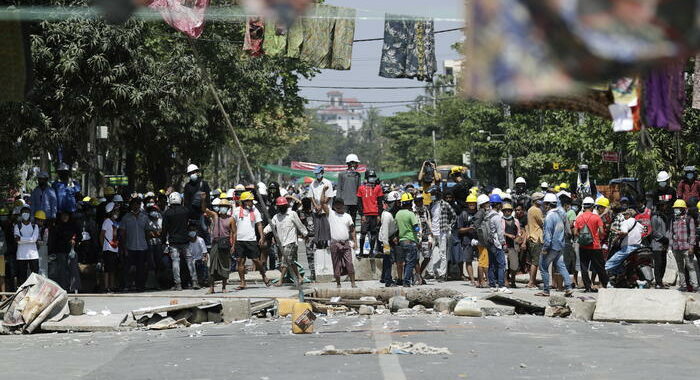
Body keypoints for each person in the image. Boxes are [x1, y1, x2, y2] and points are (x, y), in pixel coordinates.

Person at [536, 193, 574, 297]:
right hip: (560, 245)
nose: (543, 206)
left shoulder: (549, 217)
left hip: (551, 246)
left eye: (544, 204)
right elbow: (568, 232)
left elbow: (548, 236)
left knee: (543, 266)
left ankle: (546, 290)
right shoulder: (560, 215)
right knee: (561, 266)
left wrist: (544, 249)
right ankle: (568, 287)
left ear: (548, 205)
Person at [267, 196, 307, 287]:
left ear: (286, 205)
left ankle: (280, 281)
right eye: (280, 206)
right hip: (282, 243)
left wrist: (305, 234)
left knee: (285, 261)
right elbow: (270, 227)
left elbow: (299, 225)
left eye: (283, 206)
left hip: (291, 241)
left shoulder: (292, 214)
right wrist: (263, 234)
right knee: (291, 262)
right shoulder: (276, 217)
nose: (282, 208)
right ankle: (300, 278)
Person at [232, 191, 269, 289]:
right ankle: (242, 282)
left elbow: (259, 224)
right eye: (249, 201)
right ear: (244, 201)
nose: (251, 203)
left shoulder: (254, 211)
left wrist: (261, 236)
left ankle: (264, 276)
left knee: (256, 260)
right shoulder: (236, 211)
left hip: (251, 239)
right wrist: (233, 239)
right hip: (240, 240)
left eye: (252, 201)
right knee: (240, 261)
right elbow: (233, 224)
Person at [163, 192, 198, 291]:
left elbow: (164, 228)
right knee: (189, 260)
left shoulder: (167, 213)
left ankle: (178, 284)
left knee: (175, 262)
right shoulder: (185, 211)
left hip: (173, 241)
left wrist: (163, 241)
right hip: (185, 240)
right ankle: (194, 281)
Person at [574, 197, 608, 292]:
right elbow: (601, 231)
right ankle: (604, 284)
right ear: (593, 207)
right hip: (595, 246)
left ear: (583, 207)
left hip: (583, 246)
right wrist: (599, 237)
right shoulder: (596, 217)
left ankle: (587, 287)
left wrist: (582, 237)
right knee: (599, 266)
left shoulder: (579, 218)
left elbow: (575, 233)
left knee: (584, 267)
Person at [119, 198, 150, 292]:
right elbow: (122, 233)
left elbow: (147, 232)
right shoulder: (126, 218)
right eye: (134, 204)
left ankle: (140, 286)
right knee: (127, 268)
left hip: (142, 247)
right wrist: (124, 247)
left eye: (138, 204)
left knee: (141, 268)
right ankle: (126, 285)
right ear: (131, 205)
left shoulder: (145, 217)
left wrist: (148, 246)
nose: (136, 206)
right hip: (130, 246)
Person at [204, 198, 234, 293]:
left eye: (225, 207)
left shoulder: (231, 219)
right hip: (215, 244)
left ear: (228, 208)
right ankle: (211, 287)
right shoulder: (215, 216)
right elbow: (205, 209)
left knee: (225, 266)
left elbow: (234, 233)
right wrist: (203, 200)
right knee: (212, 266)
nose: (223, 209)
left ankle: (224, 287)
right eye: (221, 207)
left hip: (225, 244)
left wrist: (233, 245)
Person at [605, 209, 644, 278]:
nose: (624, 216)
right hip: (638, 247)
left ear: (629, 215)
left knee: (610, 263)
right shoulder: (639, 224)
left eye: (625, 214)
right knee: (621, 265)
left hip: (628, 248)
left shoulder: (626, 222)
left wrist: (616, 232)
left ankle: (602, 279)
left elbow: (624, 232)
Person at [327, 199, 357, 288]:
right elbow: (322, 203)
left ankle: (353, 283)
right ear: (334, 206)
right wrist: (324, 191)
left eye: (340, 204)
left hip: (346, 243)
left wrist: (355, 242)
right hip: (334, 243)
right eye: (336, 205)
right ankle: (338, 283)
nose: (338, 206)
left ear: (343, 205)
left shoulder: (347, 216)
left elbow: (352, 230)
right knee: (336, 264)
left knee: (349, 263)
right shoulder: (331, 214)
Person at [428, 186, 456, 282]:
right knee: (430, 253)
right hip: (433, 233)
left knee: (443, 254)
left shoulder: (444, 204)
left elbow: (454, 216)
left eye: (433, 194)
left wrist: (449, 226)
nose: (431, 196)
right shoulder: (431, 205)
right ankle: (431, 272)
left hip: (442, 231)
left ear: (437, 194)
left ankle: (442, 274)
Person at [668, 200, 697, 291]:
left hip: (687, 248)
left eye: (678, 208)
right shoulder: (673, 219)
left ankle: (695, 286)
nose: (676, 210)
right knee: (680, 268)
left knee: (691, 267)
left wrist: (691, 247)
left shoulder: (689, 219)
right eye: (675, 208)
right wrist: (670, 248)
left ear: (683, 209)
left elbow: (692, 234)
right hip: (676, 248)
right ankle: (683, 286)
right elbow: (670, 234)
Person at [483, 194, 508, 293]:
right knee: (501, 264)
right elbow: (500, 232)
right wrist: (503, 243)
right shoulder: (496, 217)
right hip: (496, 243)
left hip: (489, 243)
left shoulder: (487, 215)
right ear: (497, 204)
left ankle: (492, 285)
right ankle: (501, 286)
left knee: (492, 264)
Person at [356, 170, 384, 257]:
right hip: (365, 214)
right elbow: (359, 203)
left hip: (375, 214)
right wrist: (362, 215)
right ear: (366, 178)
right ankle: (361, 251)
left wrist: (379, 214)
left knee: (373, 233)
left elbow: (380, 202)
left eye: (373, 177)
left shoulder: (378, 187)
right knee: (363, 233)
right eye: (370, 177)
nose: (372, 179)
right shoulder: (361, 188)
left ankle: (371, 251)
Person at [395, 193, 420, 287]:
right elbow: (416, 228)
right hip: (410, 241)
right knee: (410, 263)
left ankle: (405, 280)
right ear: (410, 202)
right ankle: (406, 281)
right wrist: (419, 233)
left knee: (406, 261)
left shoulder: (398, 214)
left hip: (401, 241)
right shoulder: (410, 214)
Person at [183, 164, 211, 243]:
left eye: (194, 172)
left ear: (197, 172)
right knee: (193, 238)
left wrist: (207, 212)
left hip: (203, 215)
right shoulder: (187, 186)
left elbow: (208, 200)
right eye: (190, 173)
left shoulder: (204, 184)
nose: (192, 174)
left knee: (205, 232)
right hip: (192, 217)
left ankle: (207, 250)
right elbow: (186, 202)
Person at [14, 206, 39, 286]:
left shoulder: (35, 226)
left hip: (33, 255)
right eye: (24, 212)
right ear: (21, 214)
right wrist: (30, 239)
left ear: (30, 214)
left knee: (35, 276)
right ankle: (23, 293)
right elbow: (17, 241)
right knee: (22, 276)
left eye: (27, 212)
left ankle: (34, 292)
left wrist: (21, 239)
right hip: (21, 255)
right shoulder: (17, 226)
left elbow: (34, 239)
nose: (26, 214)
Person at [378, 192, 399, 287]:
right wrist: (386, 247)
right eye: (396, 203)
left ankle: (383, 277)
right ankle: (388, 280)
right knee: (388, 259)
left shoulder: (390, 214)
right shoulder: (387, 215)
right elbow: (385, 233)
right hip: (385, 240)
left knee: (387, 259)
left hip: (389, 238)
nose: (398, 204)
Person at [525, 192, 545, 288]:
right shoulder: (537, 210)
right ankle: (531, 282)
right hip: (537, 237)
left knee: (532, 261)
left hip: (531, 236)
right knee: (535, 262)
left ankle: (531, 280)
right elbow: (542, 222)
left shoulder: (529, 210)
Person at [650, 199, 671, 289]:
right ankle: (658, 283)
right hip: (657, 244)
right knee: (658, 264)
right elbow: (653, 231)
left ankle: (660, 281)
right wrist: (662, 238)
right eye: (663, 205)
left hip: (664, 245)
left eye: (665, 205)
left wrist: (667, 239)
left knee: (664, 264)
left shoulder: (665, 217)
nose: (665, 207)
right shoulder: (655, 217)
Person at [100, 202, 120, 292]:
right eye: (115, 211)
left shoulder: (115, 222)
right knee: (107, 269)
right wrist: (102, 247)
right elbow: (101, 235)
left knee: (113, 269)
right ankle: (106, 287)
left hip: (114, 248)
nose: (117, 212)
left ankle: (112, 286)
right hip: (108, 248)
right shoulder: (107, 221)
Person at [502, 203, 522, 288]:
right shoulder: (501, 221)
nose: (507, 212)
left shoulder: (516, 221)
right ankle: (505, 281)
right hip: (505, 245)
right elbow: (499, 232)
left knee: (514, 265)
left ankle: (513, 280)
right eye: (506, 211)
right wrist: (507, 235)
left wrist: (519, 238)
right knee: (505, 265)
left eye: (509, 211)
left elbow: (519, 233)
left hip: (514, 246)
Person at [337, 154, 362, 222]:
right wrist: (338, 201)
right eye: (356, 163)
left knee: (352, 220)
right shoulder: (342, 174)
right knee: (344, 219)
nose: (357, 165)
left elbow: (359, 189)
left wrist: (359, 201)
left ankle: (352, 232)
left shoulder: (358, 175)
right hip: (344, 202)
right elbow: (339, 188)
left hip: (354, 202)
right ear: (351, 163)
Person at [414, 193, 432, 285]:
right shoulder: (413, 211)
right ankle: (418, 277)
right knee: (416, 259)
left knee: (427, 257)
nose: (420, 202)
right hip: (416, 238)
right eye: (418, 201)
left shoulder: (426, 210)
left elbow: (429, 224)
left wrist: (430, 238)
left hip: (425, 237)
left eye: (421, 200)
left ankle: (419, 275)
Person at [188, 224, 208, 289]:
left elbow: (204, 252)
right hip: (191, 260)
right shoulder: (187, 242)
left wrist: (204, 258)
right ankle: (193, 282)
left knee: (202, 264)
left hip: (200, 259)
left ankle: (203, 281)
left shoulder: (200, 240)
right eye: (190, 230)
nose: (192, 232)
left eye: (193, 230)